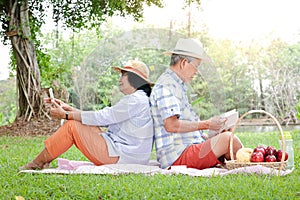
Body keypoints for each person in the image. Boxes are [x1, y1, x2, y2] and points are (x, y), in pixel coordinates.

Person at [21, 60, 154, 170]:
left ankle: (36, 163)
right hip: (125, 153)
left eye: (123, 75)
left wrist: (66, 115)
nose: (119, 80)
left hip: (124, 157)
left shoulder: (135, 100)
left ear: (133, 78)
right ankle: (43, 161)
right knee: (80, 123)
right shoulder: (139, 99)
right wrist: (68, 109)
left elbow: (103, 117)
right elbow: (101, 117)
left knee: (72, 126)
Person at [150, 38, 243, 170]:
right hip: (177, 156)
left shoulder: (177, 85)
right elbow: (171, 125)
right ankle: (254, 169)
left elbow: (184, 129)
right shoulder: (167, 85)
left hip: (186, 149)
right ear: (183, 63)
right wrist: (207, 124)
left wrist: (210, 135)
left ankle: (248, 165)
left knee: (227, 139)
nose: (197, 72)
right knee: (229, 139)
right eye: (196, 66)